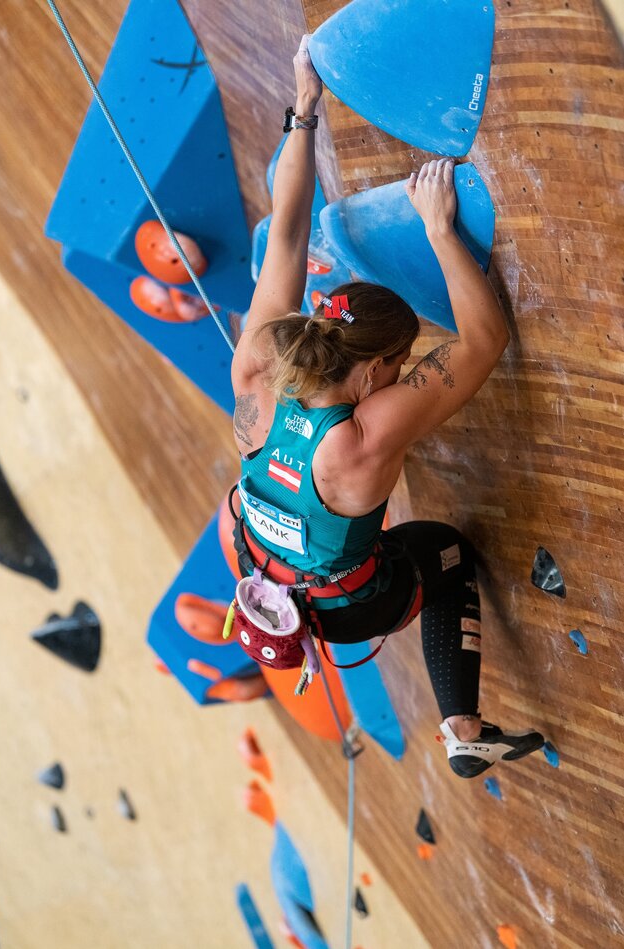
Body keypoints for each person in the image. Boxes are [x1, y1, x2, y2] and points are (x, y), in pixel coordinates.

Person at [230, 35, 543, 778]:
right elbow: (483, 338)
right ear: (373, 371)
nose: (406, 375)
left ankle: (464, 724)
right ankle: (461, 724)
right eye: (400, 366)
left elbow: (285, 227)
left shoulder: (257, 365)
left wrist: (304, 108)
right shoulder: (366, 435)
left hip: (257, 556)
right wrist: (438, 228)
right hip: (342, 607)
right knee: (444, 549)